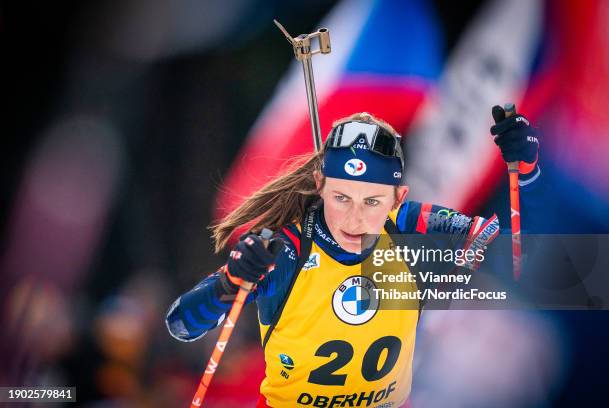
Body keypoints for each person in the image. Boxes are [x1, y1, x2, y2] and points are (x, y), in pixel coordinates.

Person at [166, 109, 541, 407]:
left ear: (397, 197)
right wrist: (229, 283)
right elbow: (181, 324)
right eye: (342, 197)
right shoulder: (287, 251)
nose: (354, 219)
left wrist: (525, 172)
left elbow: (512, 250)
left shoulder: (410, 232)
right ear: (320, 186)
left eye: (372, 201)